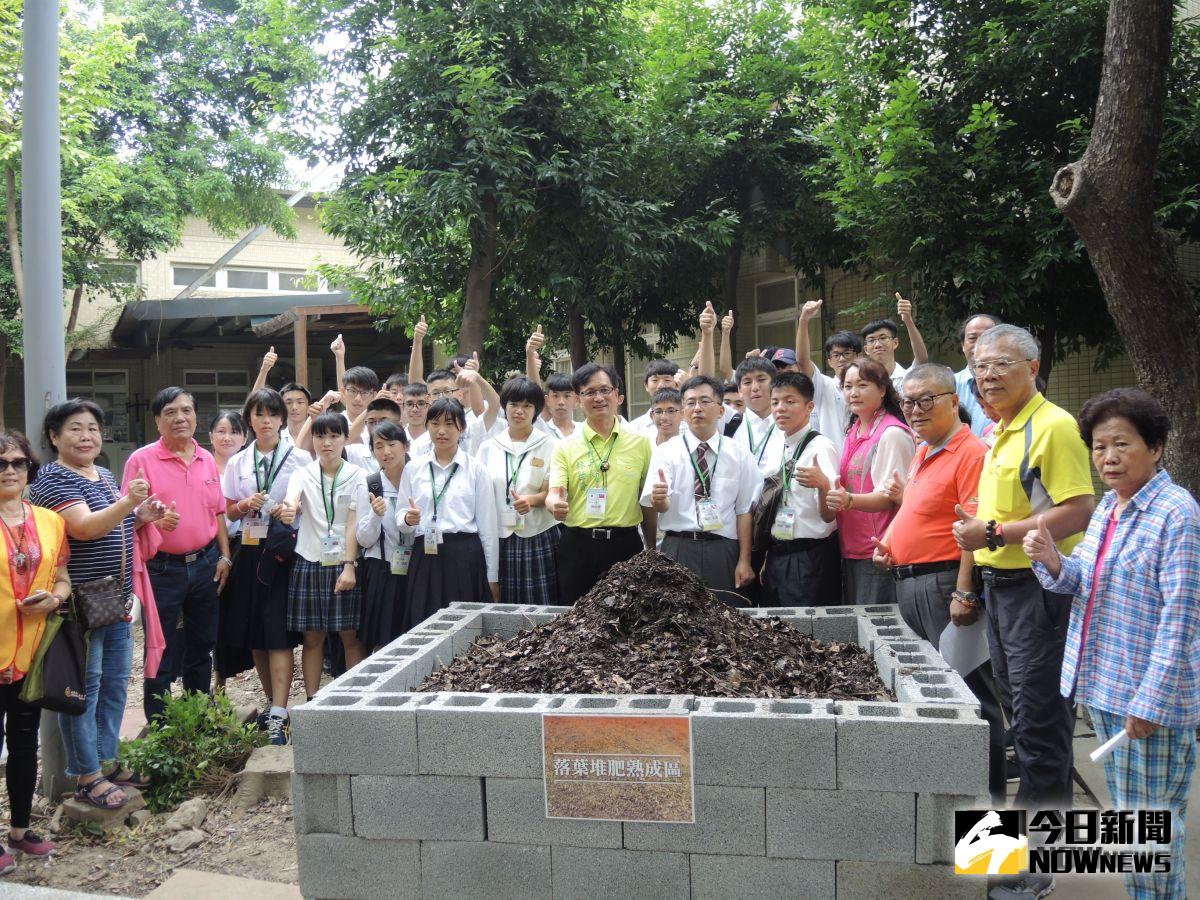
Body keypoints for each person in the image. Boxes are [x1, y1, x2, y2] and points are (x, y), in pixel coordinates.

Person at [1022, 389, 1199, 900]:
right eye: (1099, 447)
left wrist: (1150, 702)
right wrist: (1052, 559)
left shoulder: (1176, 513)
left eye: (1122, 444)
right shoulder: (1111, 508)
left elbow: (1181, 618)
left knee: (1149, 833)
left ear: (1157, 447)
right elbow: (1085, 582)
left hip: (1146, 705)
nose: (1109, 458)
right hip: (1104, 687)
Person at [952, 324, 1095, 823]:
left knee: (1039, 727)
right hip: (1001, 592)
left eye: (1001, 365)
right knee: (1026, 721)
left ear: (1033, 368)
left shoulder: (1053, 426)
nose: (988, 376)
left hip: (1039, 593)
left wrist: (992, 533)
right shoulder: (998, 430)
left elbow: (1079, 510)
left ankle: (1031, 865)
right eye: (981, 367)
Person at [872, 364, 1006, 802]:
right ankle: (951, 811)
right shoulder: (923, 450)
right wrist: (891, 545)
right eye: (908, 401)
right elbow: (916, 513)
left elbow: (972, 526)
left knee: (974, 702)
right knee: (938, 698)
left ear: (954, 400)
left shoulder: (970, 452)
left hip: (945, 587)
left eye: (926, 399)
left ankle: (994, 845)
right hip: (911, 585)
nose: (914, 410)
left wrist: (965, 590)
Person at [30, 399, 165, 812]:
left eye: (92, 428)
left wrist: (142, 514)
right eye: (75, 429)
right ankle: (87, 775)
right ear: (54, 437)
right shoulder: (53, 480)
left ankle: (107, 762)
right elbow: (85, 528)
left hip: (115, 600)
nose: (87, 436)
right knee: (82, 693)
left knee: (112, 688)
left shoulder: (103, 473)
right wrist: (128, 504)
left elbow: (115, 521)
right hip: (80, 605)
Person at [123, 387, 231, 723]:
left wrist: (225, 556)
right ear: (157, 420)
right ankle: (161, 727)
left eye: (186, 410)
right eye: (170, 412)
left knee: (201, 645)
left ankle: (196, 719)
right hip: (161, 568)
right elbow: (125, 514)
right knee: (160, 648)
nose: (179, 418)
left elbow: (218, 512)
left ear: (196, 416)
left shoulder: (206, 459)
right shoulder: (141, 460)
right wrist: (148, 517)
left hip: (205, 564)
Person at [221, 388, 311, 743]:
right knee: (255, 632)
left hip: (282, 553)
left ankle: (280, 712)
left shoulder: (300, 458)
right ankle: (273, 703)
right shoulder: (238, 462)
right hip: (249, 550)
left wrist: (292, 509)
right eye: (259, 414)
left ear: (283, 420)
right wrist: (246, 504)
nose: (266, 420)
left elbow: (311, 506)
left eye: (273, 414)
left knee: (277, 633)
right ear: (250, 420)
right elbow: (227, 510)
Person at [0, 431, 68, 867]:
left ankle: (20, 830)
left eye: (17, 462)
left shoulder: (50, 520)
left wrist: (56, 598)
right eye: (0, 463)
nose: (9, 470)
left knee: (24, 744)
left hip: (32, 655)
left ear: (29, 468)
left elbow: (61, 576)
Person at [279, 413, 369, 701]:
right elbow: (292, 498)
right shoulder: (303, 473)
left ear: (345, 438)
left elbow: (354, 523)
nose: (326, 443)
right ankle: (312, 700)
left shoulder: (358, 476)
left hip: (345, 562)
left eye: (333, 436)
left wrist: (350, 565)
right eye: (320, 436)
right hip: (309, 560)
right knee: (313, 636)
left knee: (350, 635)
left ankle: (355, 700)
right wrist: (290, 507)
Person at [642, 376, 758, 597]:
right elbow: (662, 504)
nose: (697, 409)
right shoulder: (666, 451)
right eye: (690, 403)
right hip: (678, 548)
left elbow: (744, 511)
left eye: (705, 401)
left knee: (726, 619)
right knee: (676, 622)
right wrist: (659, 499)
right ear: (684, 412)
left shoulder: (739, 454)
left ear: (721, 411)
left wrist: (744, 560)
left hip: (723, 549)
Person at [548, 363, 655, 604]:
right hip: (578, 545)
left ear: (618, 395)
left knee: (628, 617)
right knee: (574, 620)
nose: (598, 398)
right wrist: (555, 503)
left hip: (625, 545)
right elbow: (555, 492)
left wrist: (650, 548)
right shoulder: (565, 446)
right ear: (578, 399)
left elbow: (646, 501)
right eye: (589, 392)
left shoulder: (641, 443)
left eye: (605, 390)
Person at [398, 399, 500, 626]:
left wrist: (492, 576)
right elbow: (401, 517)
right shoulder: (414, 468)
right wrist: (408, 518)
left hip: (464, 556)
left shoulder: (476, 470)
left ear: (462, 428)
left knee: (463, 626)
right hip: (425, 555)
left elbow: (488, 528)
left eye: (449, 424)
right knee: (423, 624)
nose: (441, 431)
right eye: (434, 424)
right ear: (427, 427)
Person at [825, 356, 916, 605]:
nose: (853, 393)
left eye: (862, 385)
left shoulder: (891, 434)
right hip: (852, 545)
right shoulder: (854, 429)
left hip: (879, 549)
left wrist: (849, 500)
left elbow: (891, 496)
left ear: (883, 389)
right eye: (848, 386)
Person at [478, 378, 561, 605]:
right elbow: (481, 495)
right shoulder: (488, 447)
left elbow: (555, 487)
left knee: (543, 604)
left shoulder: (550, 444)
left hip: (539, 533)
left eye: (527, 405)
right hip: (500, 535)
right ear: (504, 405)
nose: (519, 411)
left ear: (536, 410)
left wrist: (532, 500)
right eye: (514, 404)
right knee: (504, 601)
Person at [356, 420, 410, 649]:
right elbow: (363, 539)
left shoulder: (420, 478)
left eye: (392, 444)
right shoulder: (370, 485)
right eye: (379, 446)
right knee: (383, 636)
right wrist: (375, 516)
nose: (386, 452)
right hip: (381, 569)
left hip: (417, 567)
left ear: (406, 446)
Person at [208, 410, 246, 694]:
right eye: (221, 431)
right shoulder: (202, 465)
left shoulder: (248, 466)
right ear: (210, 436)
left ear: (244, 437)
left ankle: (222, 679)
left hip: (240, 546)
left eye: (234, 431)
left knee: (230, 615)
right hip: (207, 547)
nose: (227, 437)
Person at [794, 298, 862, 455]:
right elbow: (802, 361)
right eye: (836, 355)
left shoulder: (870, 388)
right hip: (833, 465)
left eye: (847, 353)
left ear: (859, 356)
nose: (842, 359)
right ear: (829, 361)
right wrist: (804, 320)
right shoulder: (824, 386)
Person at [859, 292, 930, 393]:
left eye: (883, 338)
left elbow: (922, 359)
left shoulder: (908, 377)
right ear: (866, 349)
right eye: (871, 340)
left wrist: (908, 321)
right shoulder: (862, 382)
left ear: (895, 343)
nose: (877, 345)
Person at [729, 358, 786, 477]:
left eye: (761, 380)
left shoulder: (789, 424)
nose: (755, 387)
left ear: (774, 384)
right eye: (747, 382)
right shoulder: (730, 424)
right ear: (739, 390)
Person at [954, 313, 1003, 437]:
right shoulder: (949, 386)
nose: (980, 344)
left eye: (988, 337)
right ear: (963, 345)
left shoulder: (1011, 384)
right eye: (972, 338)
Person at [627, 361, 682, 437]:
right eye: (655, 380)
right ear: (646, 385)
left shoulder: (689, 424)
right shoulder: (633, 428)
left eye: (667, 380)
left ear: (677, 383)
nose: (661, 385)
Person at [340, 365, 380, 445]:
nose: (358, 398)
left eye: (364, 392)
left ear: (374, 395)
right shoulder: (334, 422)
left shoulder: (380, 425)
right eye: (353, 391)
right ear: (343, 391)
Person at [543, 373, 579, 440]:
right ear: (547, 400)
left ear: (576, 400)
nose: (561, 402)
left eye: (567, 396)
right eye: (555, 396)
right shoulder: (541, 430)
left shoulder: (584, 431)